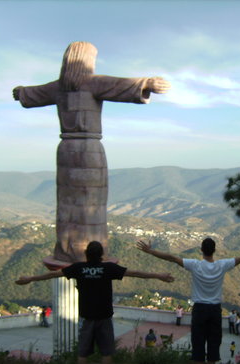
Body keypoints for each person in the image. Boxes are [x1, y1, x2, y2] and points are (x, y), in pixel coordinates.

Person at [13, 41, 171, 264]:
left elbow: (32, 94)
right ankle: (91, 251)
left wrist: (20, 92)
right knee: (92, 204)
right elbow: (121, 86)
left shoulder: (58, 87)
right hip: (89, 150)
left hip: (66, 151)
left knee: (67, 205)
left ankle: (67, 250)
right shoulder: (93, 83)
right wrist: (148, 83)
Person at [16, 241, 174, 364]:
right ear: (101, 255)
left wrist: (30, 278)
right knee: (106, 353)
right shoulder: (108, 268)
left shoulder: (79, 268)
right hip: (104, 316)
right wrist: (158, 275)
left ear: (86, 254)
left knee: (83, 354)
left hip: (86, 317)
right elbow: (135, 273)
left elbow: (53, 274)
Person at [137, 238, 240, 364]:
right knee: (214, 340)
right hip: (215, 309)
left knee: (198, 340)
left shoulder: (195, 265)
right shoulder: (222, 265)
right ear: (214, 250)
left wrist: (150, 251)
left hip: (199, 309)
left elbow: (172, 258)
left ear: (201, 250)